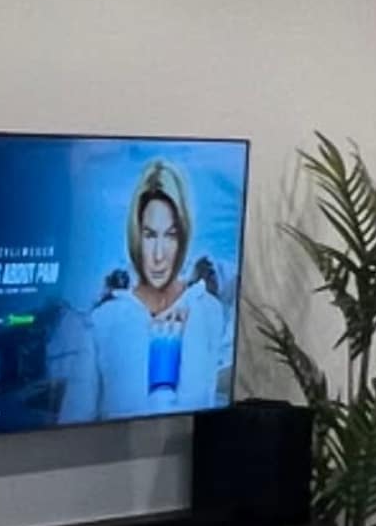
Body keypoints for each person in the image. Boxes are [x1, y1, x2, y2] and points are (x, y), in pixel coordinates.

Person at [45, 156, 235, 419]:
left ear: (184, 237)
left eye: (170, 235)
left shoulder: (208, 311)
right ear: (136, 235)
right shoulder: (104, 321)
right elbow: (73, 418)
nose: (158, 255)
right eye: (149, 235)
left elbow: (208, 413)